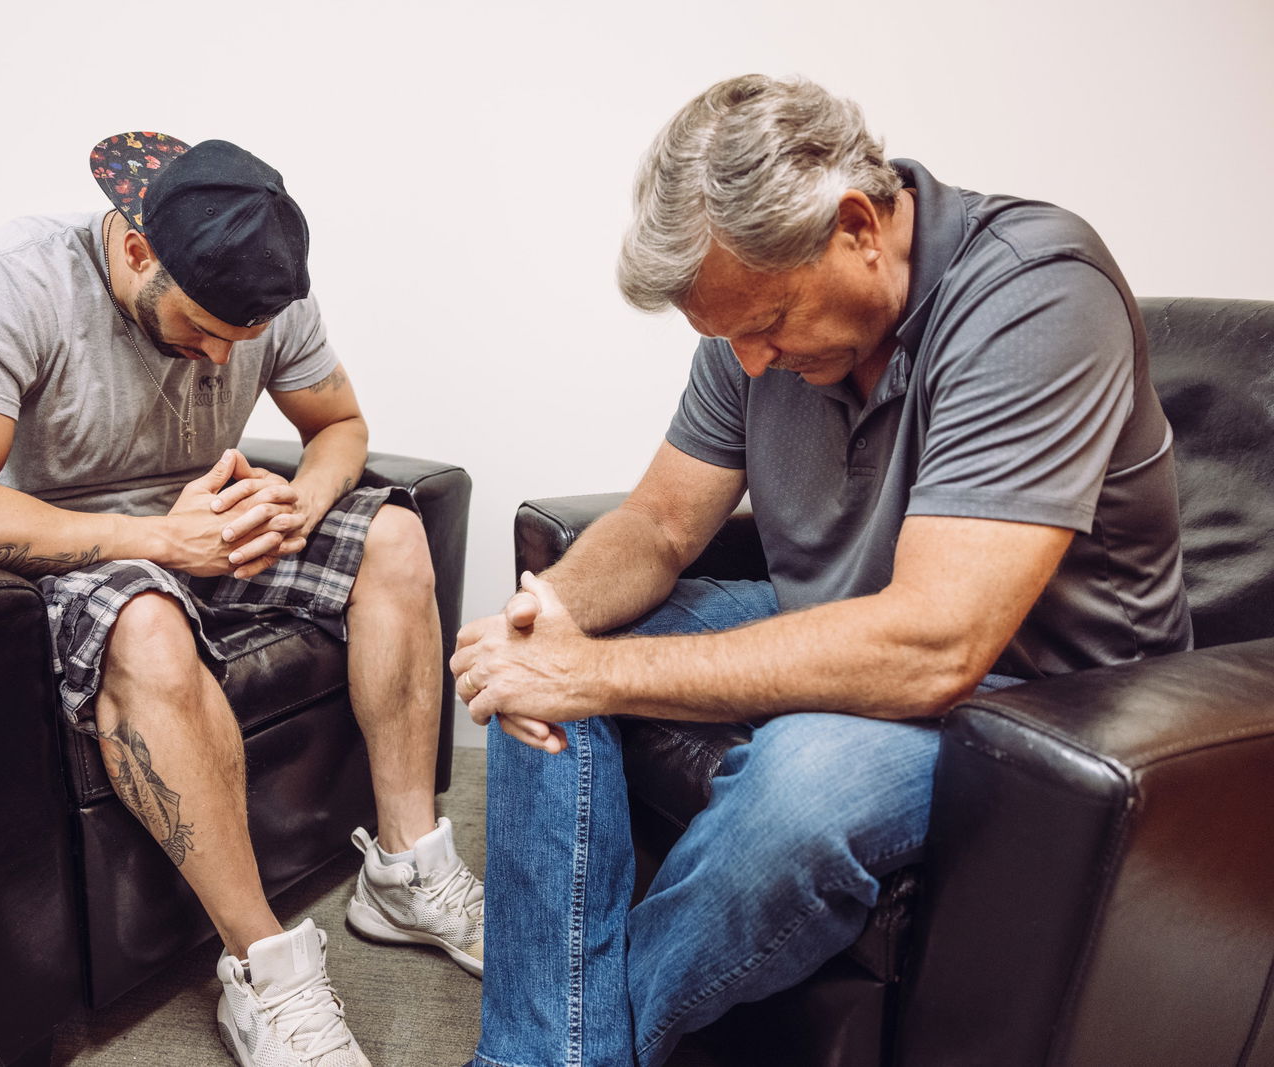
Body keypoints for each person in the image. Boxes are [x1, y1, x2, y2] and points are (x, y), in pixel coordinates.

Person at [452, 75, 1190, 1066]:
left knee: (801, 784)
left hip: (1039, 702)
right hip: (844, 624)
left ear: (856, 225)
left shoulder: (1037, 294)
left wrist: (595, 673)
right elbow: (663, 522)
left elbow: (936, 641)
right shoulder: (747, 328)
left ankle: (569, 1049)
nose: (748, 361)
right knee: (535, 649)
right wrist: (544, 623)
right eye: (727, 336)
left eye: (766, 322)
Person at [0, 132, 482, 1067]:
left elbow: (339, 426)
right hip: (63, 553)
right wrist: (159, 539)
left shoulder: (264, 292)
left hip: (207, 534)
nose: (213, 363)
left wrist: (302, 500)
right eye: (199, 329)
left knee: (394, 535)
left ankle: (404, 871)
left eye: (235, 344)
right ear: (134, 249)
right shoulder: (11, 278)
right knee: (149, 624)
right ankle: (264, 971)